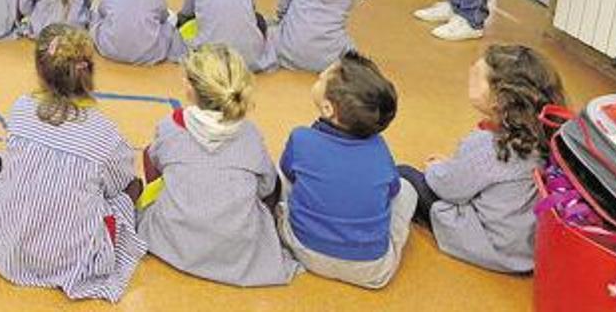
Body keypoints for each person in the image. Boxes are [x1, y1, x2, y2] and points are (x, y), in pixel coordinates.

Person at [0, 25, 145, 302]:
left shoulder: (20, 108)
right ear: (88, 70)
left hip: (8, 247)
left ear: (40, 71)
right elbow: (119, 182)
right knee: (133, 186)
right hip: (69, 260)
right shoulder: (105, 133)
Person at [137, 44, 298, 287]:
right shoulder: (250, 134)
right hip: (236, 251)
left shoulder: (170, 126)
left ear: (190, 89)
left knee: (152, 151)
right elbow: (266, 188)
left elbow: (156, 161)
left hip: (171, 241)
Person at [398, 45, 566, 273]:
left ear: (501, 99)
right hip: (525, 248)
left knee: (404, 174)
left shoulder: (492, 145)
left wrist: (437, 168)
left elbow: (449, 188)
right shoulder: (543, 133)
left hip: (489, 245)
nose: (471, 75)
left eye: (477, 77)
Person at [277, 52, 417, 289]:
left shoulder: (301, 137)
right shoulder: (379, 149)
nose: (318, 79)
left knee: (280, 174)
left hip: (302, 249)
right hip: (371, 270)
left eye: (320, 78)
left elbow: (288, 174)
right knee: (406, 189)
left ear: (328, 108)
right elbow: (392, 191)